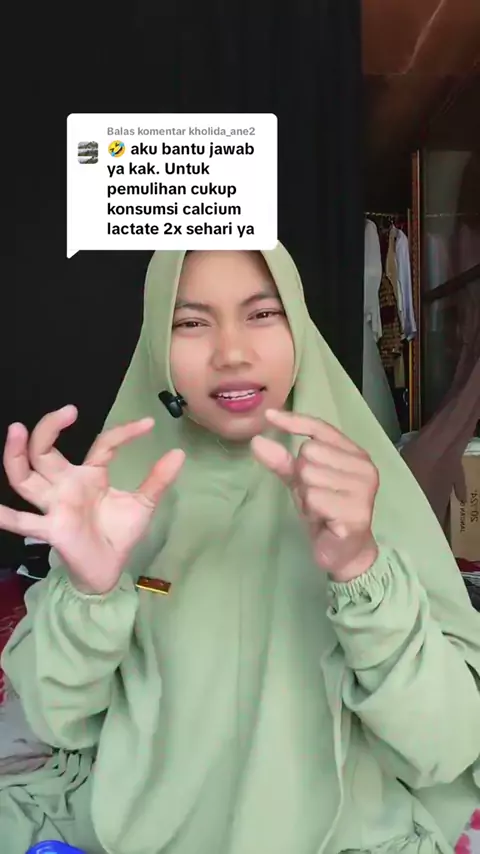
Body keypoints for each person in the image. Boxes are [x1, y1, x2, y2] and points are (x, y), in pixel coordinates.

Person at [1, 246, 480, 854]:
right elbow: (58, 720)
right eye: (190, 322)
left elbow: (445, 745)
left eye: (262, 314)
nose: (231, 353)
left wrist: (361, 568)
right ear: (157, 343)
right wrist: (90, 589)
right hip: (139, 832)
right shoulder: (118, 499)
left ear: (298, 326)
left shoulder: (362, 492)